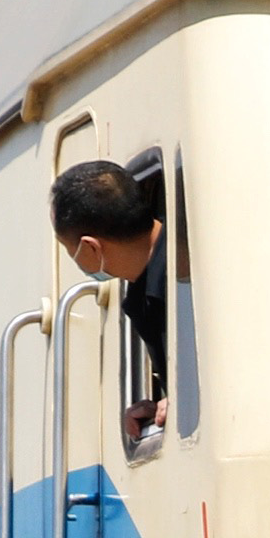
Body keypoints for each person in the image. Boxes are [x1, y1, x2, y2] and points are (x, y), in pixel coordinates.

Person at [53, 156, 171, 443]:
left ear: (90, 248)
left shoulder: (184, 271)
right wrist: (163, 405)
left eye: (69, 250)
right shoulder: (143, 294)